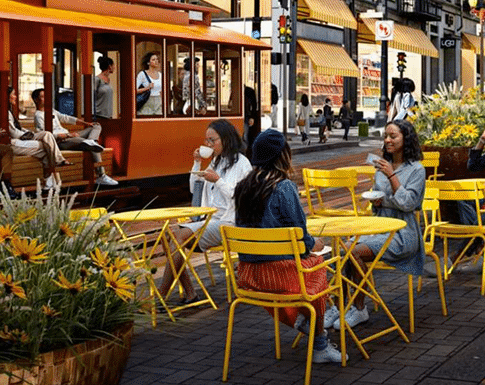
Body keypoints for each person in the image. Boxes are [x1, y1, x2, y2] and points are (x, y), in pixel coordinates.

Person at [232, 129, 343, 364]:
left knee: (306, 268)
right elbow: (301, 241)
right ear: (283, 156)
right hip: (280, 277)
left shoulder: (242, 187)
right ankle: (319, 341)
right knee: (318, 264)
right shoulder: (284, 187)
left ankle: (303, 321)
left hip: (249, 276)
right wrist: (315, 243)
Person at [324, 120, 426, 330]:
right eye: (386, 136)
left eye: (393, 136)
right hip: (376, 226)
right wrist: (376, 200)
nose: (387, 140)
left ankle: (359, 307)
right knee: (341, 251)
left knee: (353, 253)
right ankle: (341, 307)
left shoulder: (416, 169)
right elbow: (380, 198)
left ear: (406, 139)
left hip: (401, 233)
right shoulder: (380, 166)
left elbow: (408, 204)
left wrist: (391, 175)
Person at [157, 119, 253, 304]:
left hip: (229, 222)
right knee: (166, 235)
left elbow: (240, 197)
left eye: (212, 140)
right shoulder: (217, 161)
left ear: (225, 139)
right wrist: (196, 163)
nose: (208, 144)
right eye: (206, 141)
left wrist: (217, 180)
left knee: (178, 237)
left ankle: (161, 295)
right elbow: (195, 188)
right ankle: (190, 293)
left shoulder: (242, 164)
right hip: (210, 219)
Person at [30, 88, 115, 186]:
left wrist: (86, 123)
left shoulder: (51, 111)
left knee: (96, 126)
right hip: (61, 141)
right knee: (92, 146)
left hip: (71, 137)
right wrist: (68, 135)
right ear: (36, 100)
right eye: (43, 97)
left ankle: (91, 141)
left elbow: (66, 118)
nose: (47, 99)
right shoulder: (38, 115)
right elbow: (45, 135)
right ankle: (101, 175)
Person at [3, 84, 69, 190]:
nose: (16, 97)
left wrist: (27, 132)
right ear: (6, 97)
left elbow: (17, 128)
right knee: (47, 146)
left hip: (21, 139)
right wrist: (28, 135)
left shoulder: (9, 111)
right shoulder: (3, 112)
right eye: (14, 94)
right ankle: (49, 176)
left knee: (47, 136)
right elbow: (13, 132)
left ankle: (50, 177)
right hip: (13, 143)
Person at [136, 52, 163, 116]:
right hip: (147, 102)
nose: (156, 61)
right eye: (153, 60)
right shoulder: (142, 74)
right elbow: (134, 90)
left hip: (158, 102)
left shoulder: (160, 75)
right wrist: (147, 88)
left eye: (157, 59)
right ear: (148, 62)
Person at [243, 85, 261, 153]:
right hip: (244, 115)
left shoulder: (249, 91)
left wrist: (252, 117)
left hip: (247, 116)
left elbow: (254, 105)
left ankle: (245, 153)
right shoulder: (236, 90)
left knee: (245, 136)